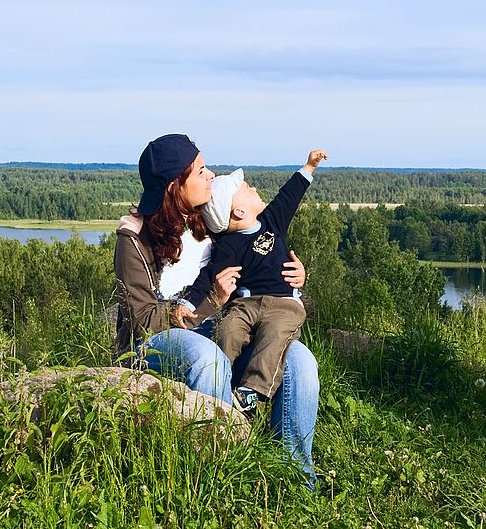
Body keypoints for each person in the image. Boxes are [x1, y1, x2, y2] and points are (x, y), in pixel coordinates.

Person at [113, 133, 319, 482]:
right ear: (174, 186)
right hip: (160, 342)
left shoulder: (211, 221)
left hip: (225, 327)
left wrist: (295, 276)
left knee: (301, 361)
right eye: (201, 171)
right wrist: (212, 302)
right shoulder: (133, 239)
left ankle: (294, 474)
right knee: (207, 357)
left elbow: (258, 260)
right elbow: (143, 322)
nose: (210, 176)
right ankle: (221, 469)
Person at [177, 149, 328, 416]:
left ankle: (252, 391)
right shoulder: (228, 246)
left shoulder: (272, 222)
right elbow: (208, 276)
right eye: (247, 188)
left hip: (283, 304)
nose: (254, 187)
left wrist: (309, 167)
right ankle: (222, 385)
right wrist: (187, 302)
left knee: (275, 335)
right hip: (246, 304)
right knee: (229, 330)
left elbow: (288, 196)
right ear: (238, 210)